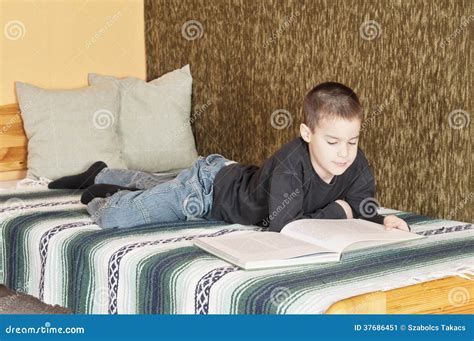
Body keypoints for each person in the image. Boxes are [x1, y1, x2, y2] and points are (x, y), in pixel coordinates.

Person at [48, 82, 410, 232]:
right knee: (117, 218)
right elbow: (284, 226)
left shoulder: (355, 160)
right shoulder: (290, 163)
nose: (345, 153)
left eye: (352, 141)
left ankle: (103, 171)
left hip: (232, 179)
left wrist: (381, 219)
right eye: (333, 142)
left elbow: (363, 204)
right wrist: (340, 210)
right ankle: (103, 193)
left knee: (161, 184)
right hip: (207, 190)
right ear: (307, 133)